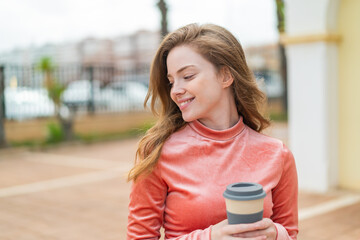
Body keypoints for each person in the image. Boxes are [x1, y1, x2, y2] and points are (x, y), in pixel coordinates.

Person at [127, 23, 298, 240]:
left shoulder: (277, 155)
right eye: (171, 81)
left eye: (187, 76)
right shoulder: (157, 151)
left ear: (226, 76)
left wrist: (275, 233)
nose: (176, 90)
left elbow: (290, 233)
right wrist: (208, 237)